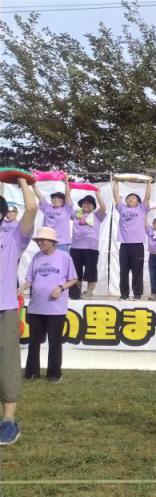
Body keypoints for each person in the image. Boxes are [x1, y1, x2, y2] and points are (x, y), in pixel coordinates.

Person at [0, 177, 37, 446]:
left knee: (7, 364)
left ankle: (8, 421)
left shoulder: (13, 237)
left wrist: (23, 180)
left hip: (4, 308)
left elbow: (32, 208)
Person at [19, 227, 78, 383]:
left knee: (54, 343)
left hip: (56, 310)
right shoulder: (36, 257)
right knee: (33, 343)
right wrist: (20, 289)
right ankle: (32, 373)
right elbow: (30, 280)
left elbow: (73, 279)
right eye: (38, 240)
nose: (40, 243)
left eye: (42, 240)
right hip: (36, 308)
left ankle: (54, 374)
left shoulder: (64, 257)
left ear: (52, 242)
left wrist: (61, 288)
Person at [112, 177, 151, 300]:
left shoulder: (141, 208)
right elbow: (116, 196)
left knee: (137, 271)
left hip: (137, 245)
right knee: (123, 271)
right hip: (124, 245)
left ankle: (137, 294)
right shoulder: (122, 208)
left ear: (138, 202)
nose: (130, 199)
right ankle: (124, 294)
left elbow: (147, 197)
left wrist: (149, 182)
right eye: (128, 197)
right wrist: (116, 182)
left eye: (133, 197)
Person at [69, 194, 107, 299]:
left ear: (93, 206)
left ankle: (89, 292)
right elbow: (68, 205)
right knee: (75, 271)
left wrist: (98, 195)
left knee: (91, 271)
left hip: (91, 248)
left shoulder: (96, 215)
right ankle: (76, 292)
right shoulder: (76, 213)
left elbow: (103, 208)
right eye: (84, 203)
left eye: (89, 203)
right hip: (75, 247)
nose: (86, 205)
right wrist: (69, 190)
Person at [33, 179, 72, 252]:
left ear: (64, 201)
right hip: (47, 243)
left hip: (62, 244)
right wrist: (32, 183)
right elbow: (39, 196)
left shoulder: (66, 209)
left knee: (62, 260)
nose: (56, 199)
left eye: (59, 198)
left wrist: (66, 181)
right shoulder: (47, 207)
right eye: (54, 198)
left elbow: (68, 196)